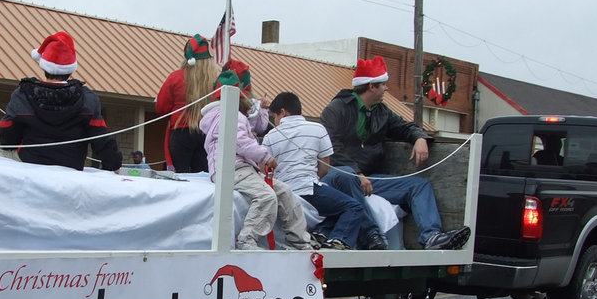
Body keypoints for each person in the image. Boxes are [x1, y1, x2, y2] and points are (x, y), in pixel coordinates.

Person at [319, 56, 470, 251]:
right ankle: (371, 235)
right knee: (347, 177)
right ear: (371, 86)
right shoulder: (336, 109)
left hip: (369, 179)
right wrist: (356, 173)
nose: (386, 88)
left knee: (419, 185)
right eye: (383, 84)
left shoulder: (381, 111)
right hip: (340, 177)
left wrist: (420, 138)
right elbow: (332, 147)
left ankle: (432, 237)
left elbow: (405, 127)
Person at [198, 68, 315, 251]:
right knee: (266, 197)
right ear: (239, 94)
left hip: (242, 167)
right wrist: (265, 156)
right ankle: (247, 238)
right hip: (233, 168)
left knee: (284, 191)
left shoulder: (224, 116)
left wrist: (261, 110)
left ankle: (299, 240)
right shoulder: (231, 115)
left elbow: (250, 130)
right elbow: (240, 141)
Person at [0, 31, 122, 171]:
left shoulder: (23, 94)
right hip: (71, 167)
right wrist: (114, 165)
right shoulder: (87, 98)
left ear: (44, 66)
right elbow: (101, 137)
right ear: (71, 69)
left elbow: (7, 131)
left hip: (28, 164)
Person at [264, 91, 370, 250]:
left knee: (335, 206)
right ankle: (338, 240)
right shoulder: (318, 129)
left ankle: (322, 233)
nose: (275, 121)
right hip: (308, 189)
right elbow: (324, 168)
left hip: (283, 191)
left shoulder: (270, 137)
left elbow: (266, 169)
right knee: (353, 207)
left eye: (275, 116)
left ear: (283, 112)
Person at [155, 34, 220, 172]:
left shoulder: (176, 77)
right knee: (204, 178)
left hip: (181, 132)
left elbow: (161, 108)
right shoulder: (216, 81)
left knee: (178, 178)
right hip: (206, 132)